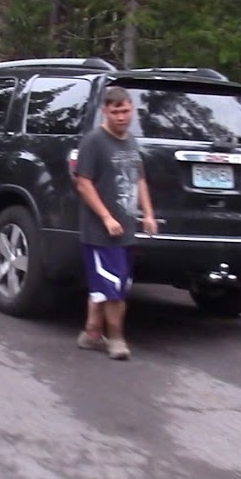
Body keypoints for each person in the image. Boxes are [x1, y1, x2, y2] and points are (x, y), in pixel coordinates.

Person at [73, 86, 157, 361]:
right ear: (105, 112)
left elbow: (139, 179)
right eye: (115, 111)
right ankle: (117, 339)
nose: (121, 116)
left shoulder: (131, 142)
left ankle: (91, 333)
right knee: (113, 291)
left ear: (132, 110)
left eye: (125, 110)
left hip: (126, 231)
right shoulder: (93, 142)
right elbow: (84, 184)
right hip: (100, 233)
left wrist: (148, 214)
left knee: (114, 286)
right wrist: (106, 217)